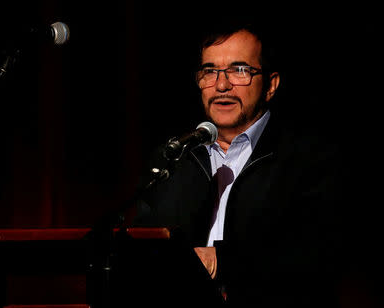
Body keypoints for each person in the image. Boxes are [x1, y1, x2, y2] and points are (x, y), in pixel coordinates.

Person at [131, 18, 347, 308]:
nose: (221, 84)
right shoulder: (174, 157)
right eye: (210, 72)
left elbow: (322, 252)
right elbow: (143, 251)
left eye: (239, 70)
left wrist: (222, 261)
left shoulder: (310, 158)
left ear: (270, 85)